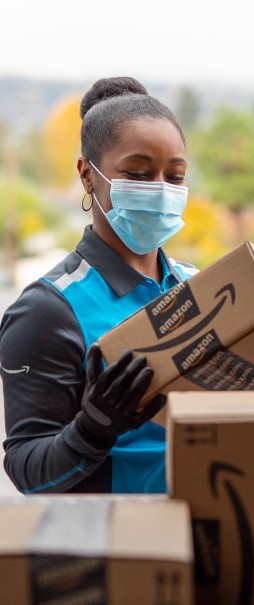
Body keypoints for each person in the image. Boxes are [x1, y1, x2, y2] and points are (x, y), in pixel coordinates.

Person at [0, 76, 197, 494]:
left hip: (219, 532)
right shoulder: (47, 310)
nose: (160, 190)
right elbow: (27, 470)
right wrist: (92, 430)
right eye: (138, 174)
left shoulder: (199, 288)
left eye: (175, 177)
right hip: (125, 549)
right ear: (88, 176)